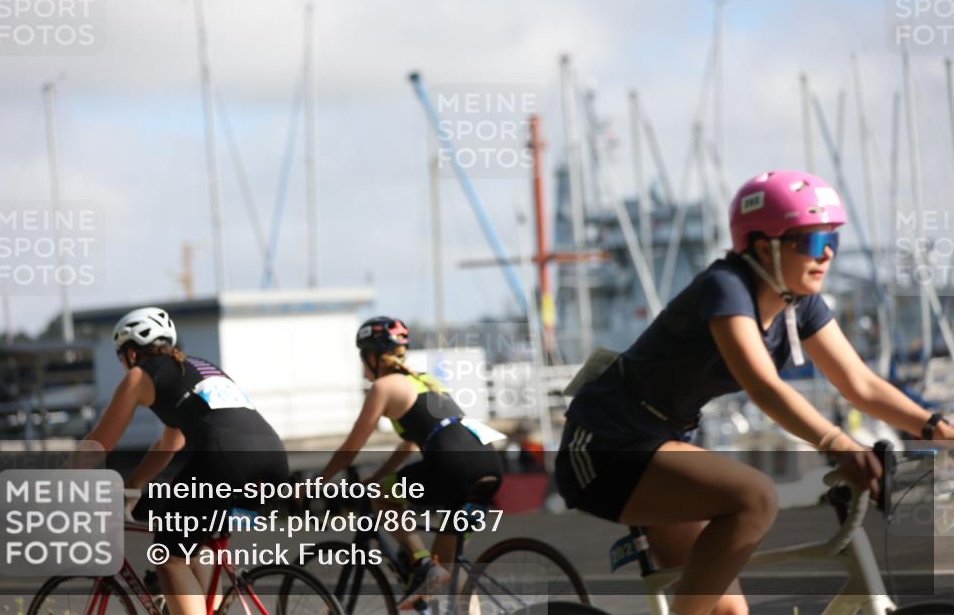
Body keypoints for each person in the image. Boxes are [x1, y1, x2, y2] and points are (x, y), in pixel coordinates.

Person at [554, 170, 952, 615]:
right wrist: (839, 443)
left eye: (832, 242)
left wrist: (936, 427)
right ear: (765, 247)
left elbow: (860, 384)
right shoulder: (725, 288)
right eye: (813, 243)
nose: (827, 256)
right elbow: (763, 385)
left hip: (665, 444)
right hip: (605, 445)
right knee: (756, 497)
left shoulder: (797, 303)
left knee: (727, 612)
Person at [81, 307, 290, 615]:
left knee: (167, 555)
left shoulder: (140, 376)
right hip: (273, 464)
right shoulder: (197, 367)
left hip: (224, 461)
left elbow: (99, 444)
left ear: (130, 352)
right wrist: (135, 484)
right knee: (196, 547)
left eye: (119, 356)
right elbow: (171, 442)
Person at [320, 316, 504, 603]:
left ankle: (421, 563)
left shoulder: (384, 388)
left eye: (362, 357)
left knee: (379, 496)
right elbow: (408, 446)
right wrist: (380, 474)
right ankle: (439, 575)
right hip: (489, 463)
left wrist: (316, 482)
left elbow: (350, 449)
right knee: (449, 565)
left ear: (372, 356)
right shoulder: (425, 381)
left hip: (453, 466)